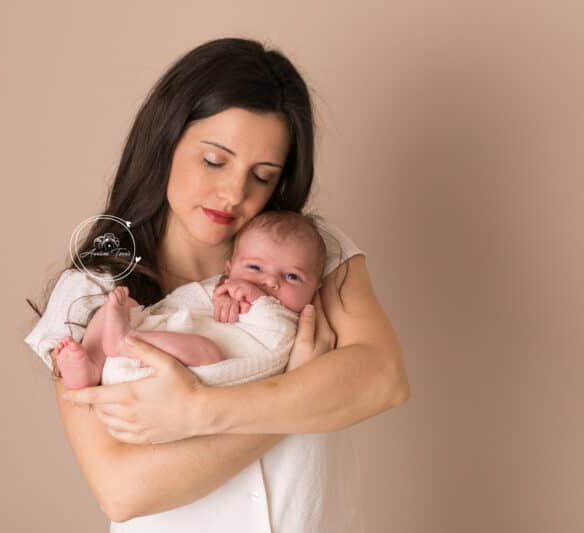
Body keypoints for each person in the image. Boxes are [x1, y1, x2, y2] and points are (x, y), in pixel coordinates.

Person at [25, 37, 410, 532]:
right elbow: (123, 490)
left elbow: (383, 380)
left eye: (263, 176)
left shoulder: (309, 254)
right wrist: (298, 388)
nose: (234, 194)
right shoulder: (93, 292)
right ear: (165, 142)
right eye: (214, 161)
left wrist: (200, 411)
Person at [54, 210, 327, 391]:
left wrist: (254, 298)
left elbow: (277, 335)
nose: (270, 281)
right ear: (229, 269)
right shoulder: (221, 287)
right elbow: (187, 302)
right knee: (125, 307)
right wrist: (220, 294)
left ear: (316, 288)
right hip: (135, 363)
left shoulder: (288, 320)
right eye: (255, 268)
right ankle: (91, 365)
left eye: (292, 276)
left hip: (188, 376)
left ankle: (127, 341)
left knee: (207, 351)